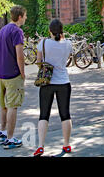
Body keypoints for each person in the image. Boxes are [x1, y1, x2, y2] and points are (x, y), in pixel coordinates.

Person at [33, 19, 73, 157]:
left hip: (47, 83)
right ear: (62, 30)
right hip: (63, 82)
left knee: (44, 115)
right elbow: (67, 60)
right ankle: (66, 145)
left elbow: (38, 62)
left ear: (49, 30)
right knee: (65, 114)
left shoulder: (43, 43)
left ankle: (40, 146)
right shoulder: (68, 44)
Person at [0, 5, 27, 149]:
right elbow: (19, 55)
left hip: (0, 73)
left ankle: (2, 132)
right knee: (12, 106)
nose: (26, 18)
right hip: (12, 74)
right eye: (25, 15)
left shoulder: (3, 29)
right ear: (20, 16)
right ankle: (10, 138)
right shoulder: (17, 31)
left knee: (4, 105)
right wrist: (23, 73)